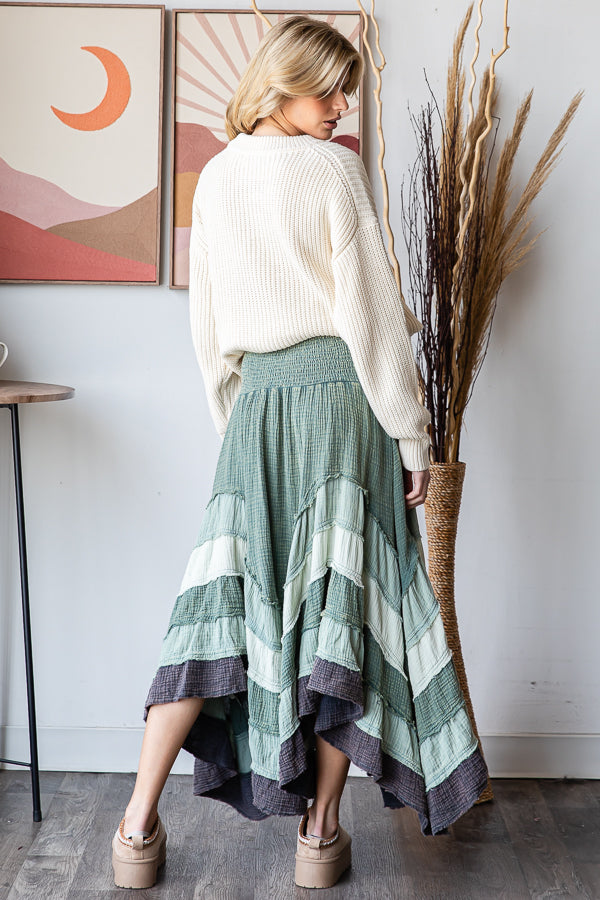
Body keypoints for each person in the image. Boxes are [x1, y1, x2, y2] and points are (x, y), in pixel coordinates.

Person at [111, 14, 489, 891]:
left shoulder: (216, 177)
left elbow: (209, 325)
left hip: (259, 411)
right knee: (344, 614)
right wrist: (412, 435)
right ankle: (319, 834)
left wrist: (237, 425)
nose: (342, 106)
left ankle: (135, 828)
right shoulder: (332, 171)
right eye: (331, 89)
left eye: (347, 90)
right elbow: (372, 318)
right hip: (343, 406)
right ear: (283, 82)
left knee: (214, 609)